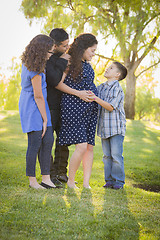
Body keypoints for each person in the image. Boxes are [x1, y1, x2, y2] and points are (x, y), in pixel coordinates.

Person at [46, 28, 91, 186]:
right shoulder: (48, 59)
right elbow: (54, 81)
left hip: (65, 105)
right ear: (55, 45)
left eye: (68, 45)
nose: (67, 48)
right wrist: (64, 59)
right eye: (64, 46)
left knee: (63, 141)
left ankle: (61, 173)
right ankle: (49, 174)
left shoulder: (68, 58)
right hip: (50, 105)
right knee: (47, 141)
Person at [59, 33, 98, 188]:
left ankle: (83, 182)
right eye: (92, 50)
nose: (94, 54)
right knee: (81, 146)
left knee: (87, 146)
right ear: (83, 48)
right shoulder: (69, 61)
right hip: (73, 107)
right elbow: (59, 84)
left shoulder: (87, 65)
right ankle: (70, 181)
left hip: (89, 110)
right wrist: (79, 94)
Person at [19, 34, 58, 189]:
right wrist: (45, 119)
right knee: (35, 142)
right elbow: (38, 95)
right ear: (42, 51)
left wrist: (45, 119)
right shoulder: (34, 67)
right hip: (33, 105)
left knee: (48, 139)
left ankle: (46, 178)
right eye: (49, 52)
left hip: (42, 105)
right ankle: (32, 181)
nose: (50, 56)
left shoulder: (38, 64)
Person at [90, 61, 127, 189]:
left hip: (116, 128)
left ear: (117, 74)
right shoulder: (102, 87)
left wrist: (95, 98)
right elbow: (93, 93)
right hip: (104, 128)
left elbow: (110, 107)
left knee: (116, 155)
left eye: (111, 68)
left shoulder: (117, 88)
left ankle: (118, 181)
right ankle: (109, 180)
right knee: (107, 156)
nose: (107, 69)